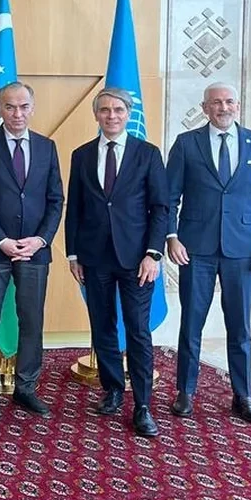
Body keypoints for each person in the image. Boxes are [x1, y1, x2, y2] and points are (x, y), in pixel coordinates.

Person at [166, 82, 251, 424]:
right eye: (216, 102)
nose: (223, 107)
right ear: (205, 108)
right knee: (191, 323)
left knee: (240, 327)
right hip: (195, 248)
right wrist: (172, 237)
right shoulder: (186, 143)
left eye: (228, 102)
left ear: (237, 106)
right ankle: (185, 391)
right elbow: (169, 197)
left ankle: (243, 395)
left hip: (242, 250)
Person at [65, 87, 168, 437]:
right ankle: (112, 390)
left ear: (128, 114)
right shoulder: (81, 155)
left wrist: (154, 253)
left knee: (137, 330)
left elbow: (161, 208)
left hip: (137, 259)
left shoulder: (147, 153)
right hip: (94, 258)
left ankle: (142, 405)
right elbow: (75, 208)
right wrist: (73, 254)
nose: (112, 115)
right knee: (102, 326)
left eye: (118, 110)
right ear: (96, 114)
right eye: (105, 110)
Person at [0, 81, 63, 418]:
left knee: (32, 322)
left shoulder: (47, 147)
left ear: (32, 109)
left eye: (23, 107)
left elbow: (55, 199)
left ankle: (26, 388)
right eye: (10, 107)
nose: (17, 113)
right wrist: (1, 240)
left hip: (35, 251)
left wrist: (41, 239)